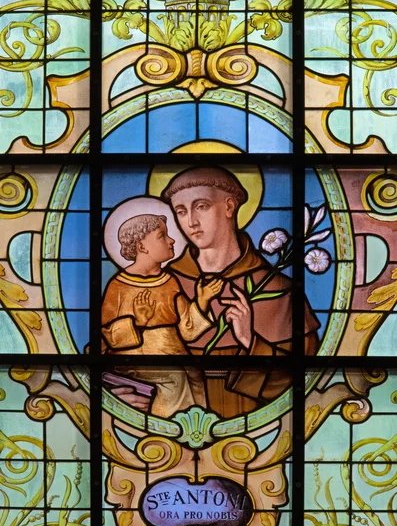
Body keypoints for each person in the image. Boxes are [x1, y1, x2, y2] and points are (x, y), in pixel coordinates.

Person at [160, 166, 320, 416]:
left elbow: (307, 382)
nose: (190, 221)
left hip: (257, 433)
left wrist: (250, 340)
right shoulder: (165, 284)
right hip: (168, 426)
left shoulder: (279, 291)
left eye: (201, 206)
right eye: (181, 211)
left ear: (229, 207)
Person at [101, 213, 223, 416]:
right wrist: (138, 322)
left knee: (193, 374)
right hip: (135, 362)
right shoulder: (119, 286)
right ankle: (165, 431)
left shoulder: (169, 281)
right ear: (141, 246)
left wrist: (202, 301)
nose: (172, 240)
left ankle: (195, 432)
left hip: (175, 355)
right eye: (162, 235)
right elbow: (107, 335)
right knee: (175, 377)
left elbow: (187, 331)